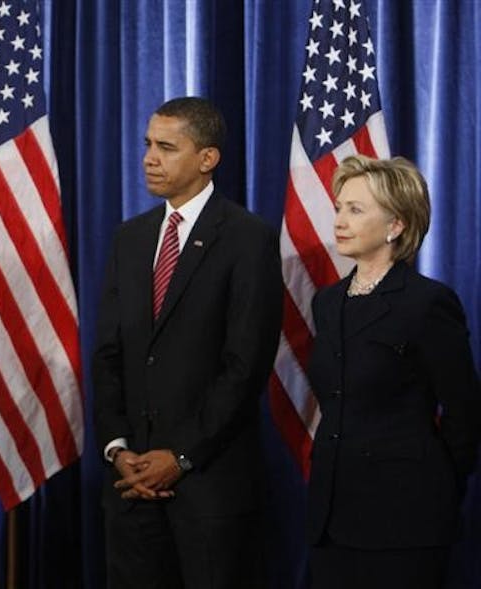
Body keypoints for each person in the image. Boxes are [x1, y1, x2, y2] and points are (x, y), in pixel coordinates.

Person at [93, 96, 283, 588]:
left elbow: (245, 365)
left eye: (166, 147)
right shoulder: (129, 239)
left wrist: (178, 456)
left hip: (208, 488)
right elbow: (108, 353)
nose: (149, 158)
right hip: (130, 485)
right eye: (147, 145)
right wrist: (119, 449)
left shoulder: (247, 238)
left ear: (207, 158)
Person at [306, 155, 481, 589]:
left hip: (406, 516)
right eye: (340, 206)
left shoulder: (427, 303)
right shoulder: (326, 303)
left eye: (356, 209)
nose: (340, 220)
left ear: (396, 226)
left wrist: (438, 486)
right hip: (332, 517)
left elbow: (464, 412)